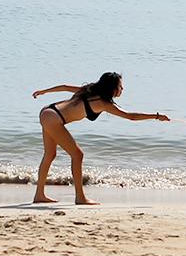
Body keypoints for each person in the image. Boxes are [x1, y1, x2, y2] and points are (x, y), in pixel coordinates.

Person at [29, 72, 169, 205]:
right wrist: (156, 116)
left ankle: (39, 195)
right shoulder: (102, 103)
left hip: (49, 111)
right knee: (77, 155)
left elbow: (65, 87)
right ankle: (80, 197)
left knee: (50, 154)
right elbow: (130, 116)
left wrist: (44, 91)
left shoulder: (89, 90)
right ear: (112, 88)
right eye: (120, 86)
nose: (122, 88)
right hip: (53, 118)